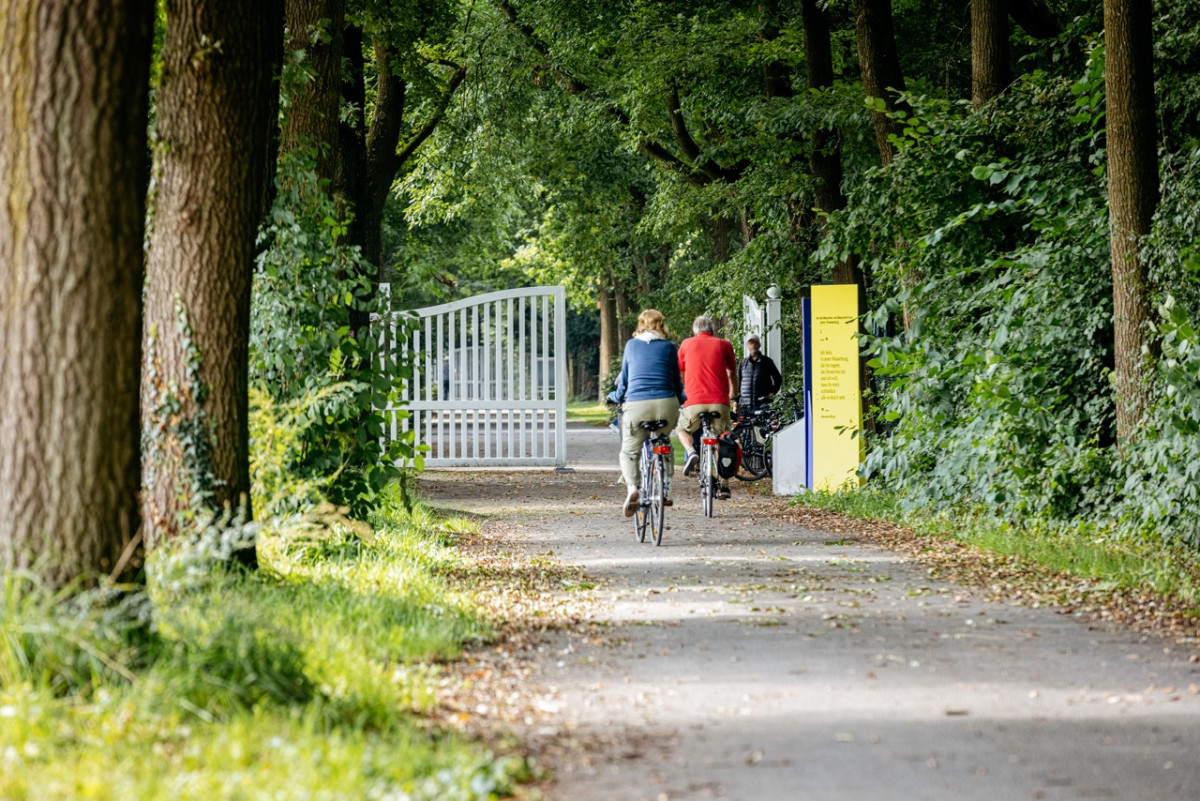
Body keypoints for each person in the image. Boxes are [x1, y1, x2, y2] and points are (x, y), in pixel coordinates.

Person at [606, 309, 685, 517]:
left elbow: (624, 380)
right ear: (661, 324)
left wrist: (615, 396)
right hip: (666, 404)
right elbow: (676, 380)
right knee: (663, 442)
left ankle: (633, 488)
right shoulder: (669, 347)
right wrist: (681, 399)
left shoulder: (631, 346)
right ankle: (665, 488)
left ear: (641, 324)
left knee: (629, 451)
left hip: (637, 405)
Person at [675, 315, 737, 499]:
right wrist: (734, 396)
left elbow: (679, 373)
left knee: (681, 428)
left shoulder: (686, 344)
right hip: (720, 401)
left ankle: (691, 451)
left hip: (693, 402)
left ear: (695, 330)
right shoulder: (724, 344)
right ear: (712, 329)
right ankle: (724, 485)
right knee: (722, 439)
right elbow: (732, 372)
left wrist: (682, 392)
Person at [737, 334, 782, 414]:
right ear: (747, 346)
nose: (753, 345)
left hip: (762, 405)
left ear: (759, 345)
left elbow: (778, 378)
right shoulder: (743, 364)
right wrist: (736, 403)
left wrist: (772, 392)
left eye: (755, 343)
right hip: (745, 406)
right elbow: (737, 383)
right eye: (751, 343)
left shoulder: (767, 362)